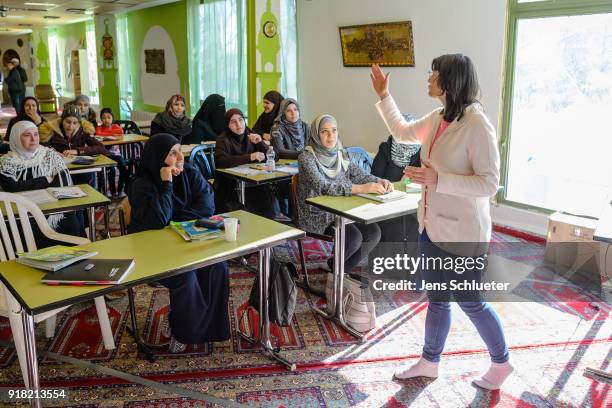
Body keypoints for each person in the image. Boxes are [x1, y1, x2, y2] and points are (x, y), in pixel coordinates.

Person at [371, 54, 512, 390]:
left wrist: (439, 179)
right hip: (431, 226)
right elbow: (403, 133)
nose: (428, 78)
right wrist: (383, 96)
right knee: (436, 298)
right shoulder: (438, 117)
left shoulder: (478, 126)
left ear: (450, 81)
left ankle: (502, 361)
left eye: (433, 73)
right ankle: (430, 361)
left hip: (464, 232)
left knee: (470, 301)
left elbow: (490, 184)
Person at [128, 134, 230, 352]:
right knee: (186, 275)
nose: (179, 157)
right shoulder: (141, 183)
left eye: (179, 150)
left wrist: (176, 221)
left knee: (218, 267)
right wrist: (166, 184)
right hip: (152, 250)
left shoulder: (190, 172)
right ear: (158, 158)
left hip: (189, 241)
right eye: (172, 153)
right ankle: (182, 332)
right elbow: (157, 221)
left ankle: (210, 330)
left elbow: (207, 206)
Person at [297, 114, 389, 276]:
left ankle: (337, 271)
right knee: (353, 238)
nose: (331, 135)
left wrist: (380, 180)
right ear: (316, 135)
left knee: (374, 233)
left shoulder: (341, 152)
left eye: (334, 130)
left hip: (342, 209)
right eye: (324, 131)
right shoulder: (306, 157)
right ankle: (337, 276)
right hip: (318, 213)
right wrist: (361, 189)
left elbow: (359, 174)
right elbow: (323, 186)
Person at [0, 121, 84, 246]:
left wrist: (29, 185)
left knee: (71, 223)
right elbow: (12, 188)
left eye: (36, 134)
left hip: (55, 209)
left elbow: (64, 179)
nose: (33, 139)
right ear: (16, 138)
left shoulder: (49, 155)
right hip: (22, 211)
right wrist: (46, 179)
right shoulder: (6, 161)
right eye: (27, 135)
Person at [214, 108, 275, 217]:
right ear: (228, 124)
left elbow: (271, 157)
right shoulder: (222, 139)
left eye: (241, 120)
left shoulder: (250, 134)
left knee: (265, 199)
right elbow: (221, 162)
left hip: (253, 181)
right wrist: (250, 157)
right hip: (230, 185)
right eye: (233, 122)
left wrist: (260, 142)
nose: (238, 124)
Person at [371, 134, 421, 243]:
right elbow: (375, 179)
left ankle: (410, 259)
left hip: (410, 203)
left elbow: (419, 180)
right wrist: (400, 183)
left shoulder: (419, 151)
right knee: (397, 226)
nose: (409, 141)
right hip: (385, 204)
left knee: (417, 222)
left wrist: (407, 180)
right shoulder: (385, 150)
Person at [44, 106, 107, 186]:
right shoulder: (51, 132)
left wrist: (78, 151)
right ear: (62, 120)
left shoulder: (82, 131)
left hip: (78, 168)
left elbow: (101, 148)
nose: (71, 126)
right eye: (68, 122)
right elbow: (42, 148)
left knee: (89, 174)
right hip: (59, 169)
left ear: (79, 123)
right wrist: (54, 153)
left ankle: (92, 197)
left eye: (75, 123)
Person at [96, 108, 130, 197]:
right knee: (112, 170)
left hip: (116, 154)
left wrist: (107, 133)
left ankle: (120, 189)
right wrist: (111, 134)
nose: (106, 120)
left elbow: (120, 132)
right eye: (103, 118)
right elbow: (98, 134)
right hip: (105, 155)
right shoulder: (99, 127)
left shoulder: (116, 126)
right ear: (101, 119)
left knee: (123, 167)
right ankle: (112, 191)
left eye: (108, 117)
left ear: (112, 118)